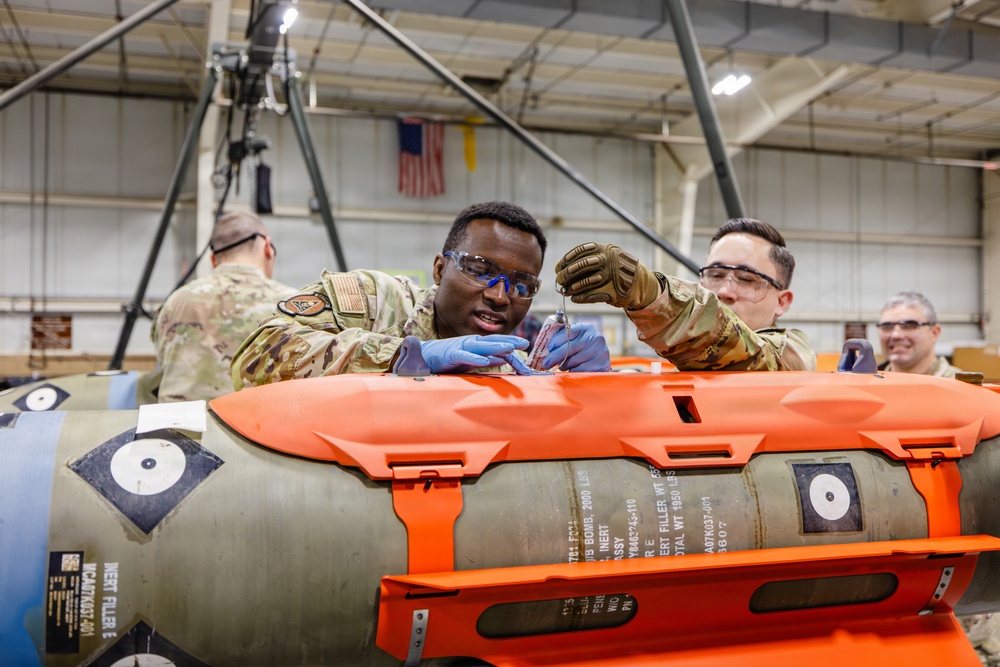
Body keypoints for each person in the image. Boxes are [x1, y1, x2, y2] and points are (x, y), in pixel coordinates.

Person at [231, 201, 610, 387]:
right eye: (480, 270)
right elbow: (257, 353)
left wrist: (589, 388)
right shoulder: (372, 300)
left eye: (521, 284)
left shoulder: (519, 364)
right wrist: (400, 356)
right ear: (440, 269)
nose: (500, 296)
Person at [555, 217, 815, 371]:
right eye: (715, 275)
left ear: (782, 302)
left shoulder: (792, 356)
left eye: (747, 279)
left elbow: (745, 353)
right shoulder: (683, 356)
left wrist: (651, 294)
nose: (725, 291)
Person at [151, 211, 294, 402]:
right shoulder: (291, 305)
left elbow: (163, 362)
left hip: (178, 429)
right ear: (268, 248)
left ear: (213, 260)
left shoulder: (175, 302)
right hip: (249, 429)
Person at [877, 291, 961, 377]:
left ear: (934, 333)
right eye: (887, 326)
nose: (896, 335)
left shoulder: (961, 386)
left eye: (909, 326)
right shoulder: (870, 385)